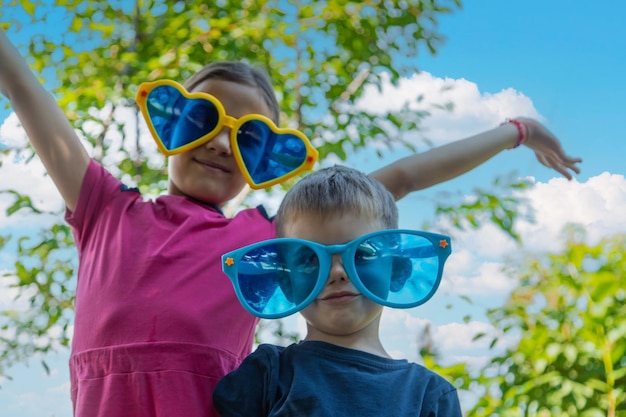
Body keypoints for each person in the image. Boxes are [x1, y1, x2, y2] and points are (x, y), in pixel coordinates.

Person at [0, 27, 581, 417]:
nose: (222, 145)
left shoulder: (267, 239)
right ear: (169, 125)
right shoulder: (107, 211)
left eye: (248, 137)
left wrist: (517, 131)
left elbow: (397, 179)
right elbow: (29, 97)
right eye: (202, 120)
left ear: (266, 162)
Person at [214, 165, 461, 416]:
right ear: (287, 284)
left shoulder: (430, 396)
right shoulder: (266, 375)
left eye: (363, 254)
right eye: (310, 259)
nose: (337, 272)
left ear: (397, 269)